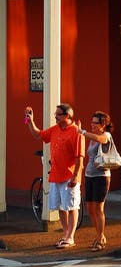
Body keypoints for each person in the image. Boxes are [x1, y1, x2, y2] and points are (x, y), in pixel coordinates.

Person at [24, 102, 84, 248]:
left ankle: (71, 237)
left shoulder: (76, 132)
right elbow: (38, 135)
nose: (55, 117)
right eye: (55, 114)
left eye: (58, 114)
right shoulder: (55, 129)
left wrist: (76, 176)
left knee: (71, 206)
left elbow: (79, 157)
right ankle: (66, 234)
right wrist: (30, 121)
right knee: (61, 207)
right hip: (56, 175)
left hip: (69, 176)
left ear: (67, 115)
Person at [79, 111, 114, 251]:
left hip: (102, 176)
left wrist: (82, 131)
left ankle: (100, 239)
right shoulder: (92, 137)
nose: (92, 125)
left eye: (95, 123)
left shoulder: (106, 135)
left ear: (103, 124)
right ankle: (100, 235)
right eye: (92, 122)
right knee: (90, 208)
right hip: (89, 175)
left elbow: (101, 140)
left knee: (99, 208)